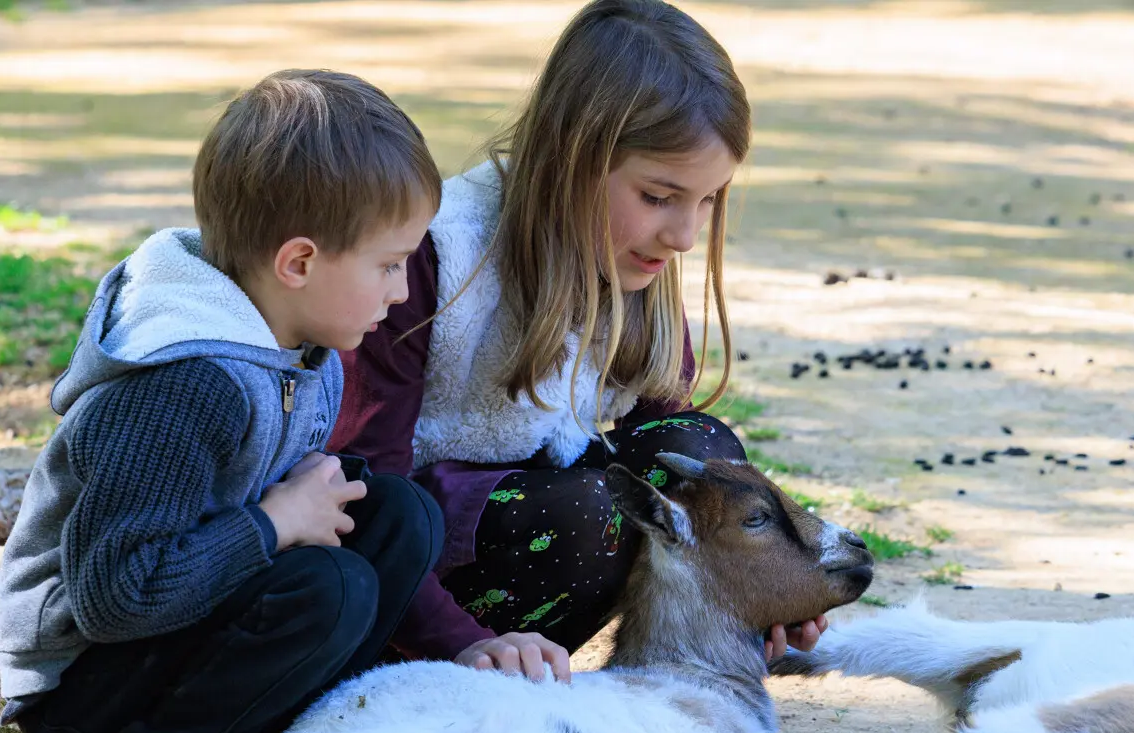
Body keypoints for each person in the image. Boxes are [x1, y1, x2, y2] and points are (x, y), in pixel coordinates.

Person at [0, 69, 443, 733]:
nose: (402, 290)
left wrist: (302, 503)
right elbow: (116, 595)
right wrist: (272, 524)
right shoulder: (184, 381)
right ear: (299, 261)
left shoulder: (300, 344)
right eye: (389, 265)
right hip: (88, 687)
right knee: (328, 586)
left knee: (401, 517)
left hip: (186, 634)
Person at [333, 0, 826, 680]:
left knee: (700, 453)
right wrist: (459, 640)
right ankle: (461, 673)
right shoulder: (434, 259)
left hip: (522, 554)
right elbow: (364, 493)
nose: (686, 235)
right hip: (399, 587)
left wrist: (763, 579)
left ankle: (700, 645)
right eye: (659, 196)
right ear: (573, 160)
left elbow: (673, 439)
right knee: (591, 515)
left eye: (709, 198)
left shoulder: (630, 264)